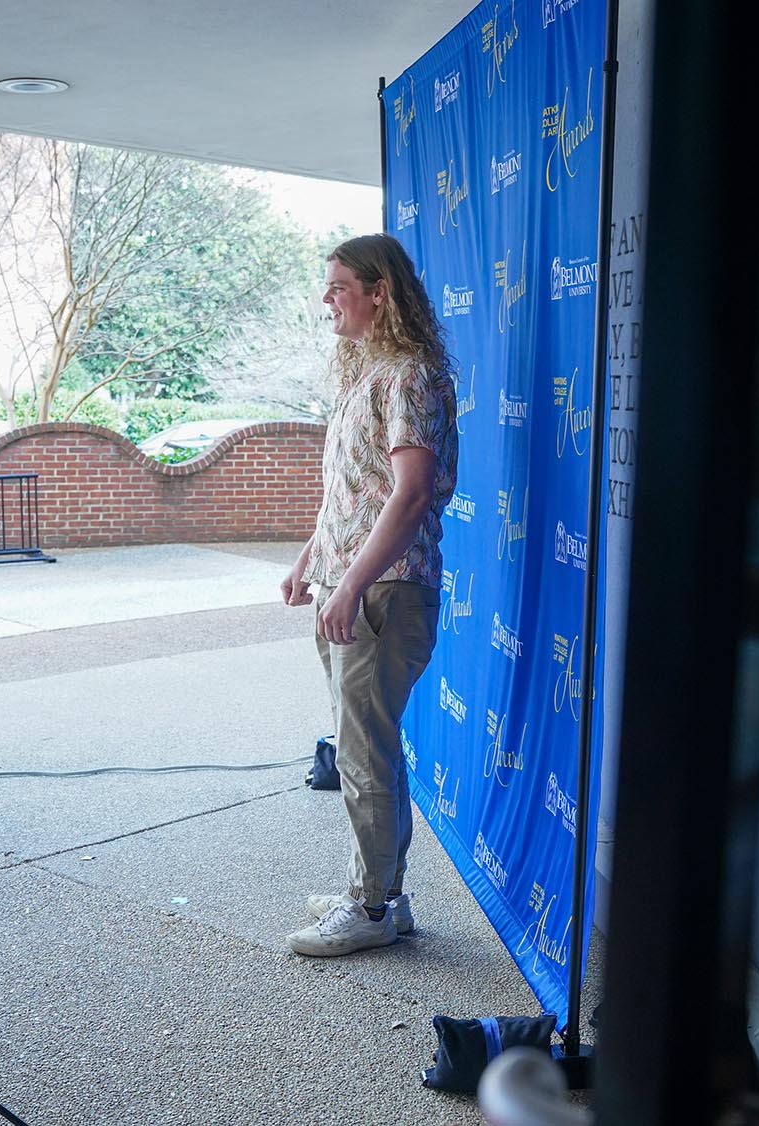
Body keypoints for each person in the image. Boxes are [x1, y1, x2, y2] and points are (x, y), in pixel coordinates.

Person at [281, 233, 459, 957]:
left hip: (385, 593)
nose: (327, 299)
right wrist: (310, 562)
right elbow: (355, 496)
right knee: (369, 750)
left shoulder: (410, 376)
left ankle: (372, 906)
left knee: (365, 754)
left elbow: (411, 495)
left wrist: (350, 582)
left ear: (379, 292)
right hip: (354, 585)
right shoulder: (370, 373)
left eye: (339, 287)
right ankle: (382, 890)